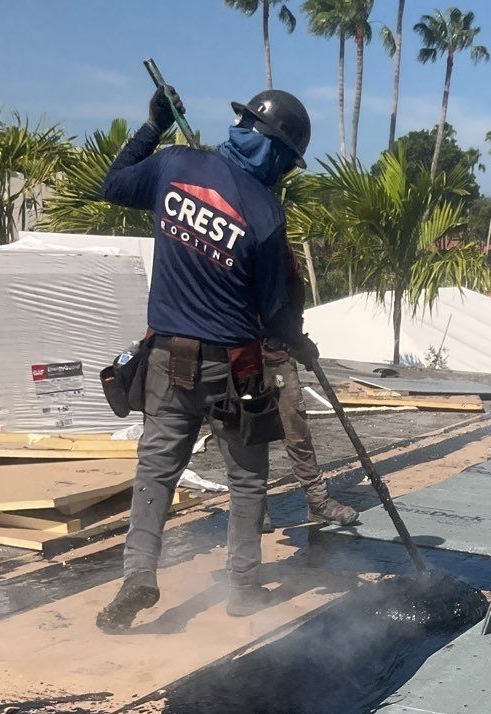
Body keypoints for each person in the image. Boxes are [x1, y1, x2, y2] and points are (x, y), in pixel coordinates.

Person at [96, 85, 345, 630]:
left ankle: (138, 575)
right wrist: (299, 343)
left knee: (157, 471)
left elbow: (113, 184)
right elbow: (273, 316)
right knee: (247, 479)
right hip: (235, 370)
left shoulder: (175, 166)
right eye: (287, 162)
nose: (285, 172)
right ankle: (243, 588)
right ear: (275, 151)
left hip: (166, 359)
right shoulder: (265, 214)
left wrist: (152, 126)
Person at [260, 247, 358, 533]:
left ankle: (317, 501)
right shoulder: (243, 249)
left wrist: (296, 341)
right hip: (243, 360)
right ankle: (253, 507)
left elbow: (290, 310)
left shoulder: (285, 257)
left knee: (297, 431)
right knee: (249, 436)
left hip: (279, 358)